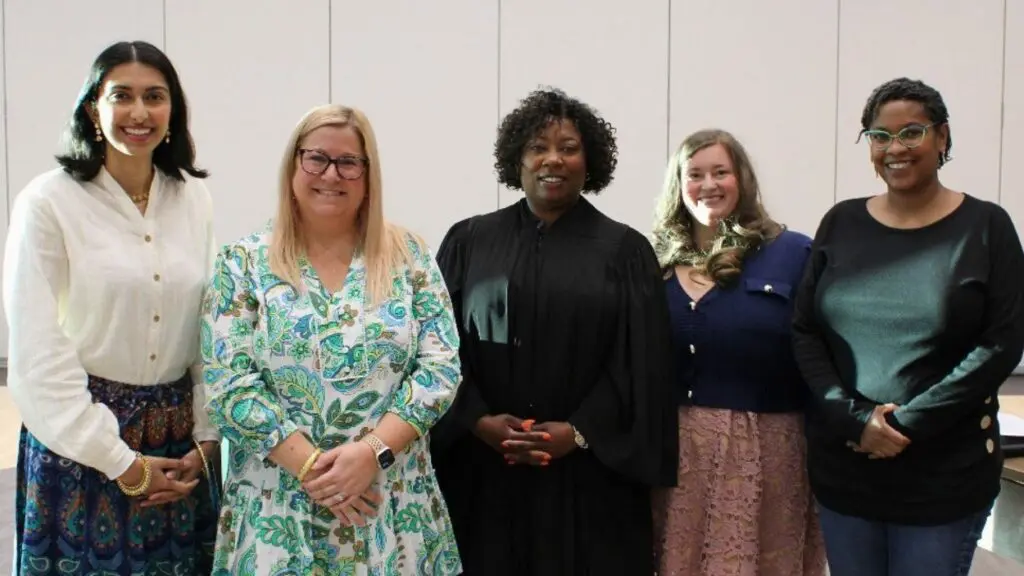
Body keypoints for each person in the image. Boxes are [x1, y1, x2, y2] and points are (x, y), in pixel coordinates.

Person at [200, 103, 463, 575]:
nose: (331, 174)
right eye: (316, 158)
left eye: (348, 163)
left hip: (392, 506)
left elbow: (441, 369)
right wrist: (312, 470)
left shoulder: (411, 257)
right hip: (277, 509)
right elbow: (228, 384)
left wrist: (371, 454)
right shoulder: (242, 262)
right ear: (293, 165)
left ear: (367, 175)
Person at [429, 87, 678, 576]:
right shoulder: (469, 241)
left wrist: (580, 432)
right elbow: (436, 346)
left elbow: (641, 362)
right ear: (516, 159)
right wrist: (477, 419)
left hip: (589, 476)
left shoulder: (625, 251)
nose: (553, 160)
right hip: (483, 470)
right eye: (538, 147)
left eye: (569, 148)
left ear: (591, 163)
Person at [3, 40, 222, 575]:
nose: (139, 113)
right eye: (121, 96)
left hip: (178, 447)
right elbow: (37, 350)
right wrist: (120, 462)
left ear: (174, 111)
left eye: (155, 96)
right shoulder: (48, 202)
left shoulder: (193, 200)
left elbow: (210, 326)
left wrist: (209, 435)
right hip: (80, 440)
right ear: (92, 110)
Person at [792, 77, 1024, 576]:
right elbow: (805, 331)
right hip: (845, 472)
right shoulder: (841, 222)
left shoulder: (986, 228)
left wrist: (899, 426)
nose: (895, 148)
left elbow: (1001, 345)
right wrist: (854, 420)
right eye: (879, 136)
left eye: (912, 132)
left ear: (942, 137)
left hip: (944, 476)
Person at [649, 128, 827, 575]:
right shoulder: (652, 262)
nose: (708, 185)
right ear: (678, 185)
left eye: (720, 172)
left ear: (741, 179)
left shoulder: (792, 252)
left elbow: (822, 348)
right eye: (695, 174)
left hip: (768, 450)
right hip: (676, 451)